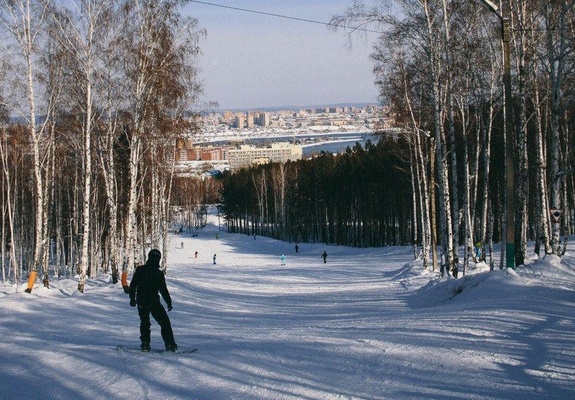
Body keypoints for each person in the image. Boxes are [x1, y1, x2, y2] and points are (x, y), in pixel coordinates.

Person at [129, 249, 178, 352]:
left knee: (145, 322)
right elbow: (163, 289)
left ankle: (145, 344)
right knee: (164, 322)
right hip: (153, 301)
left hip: (143, 301)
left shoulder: (140, 270)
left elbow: (133, 285)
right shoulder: (157, 273)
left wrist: (132, 298)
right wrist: (168, 302)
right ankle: (170, 344)